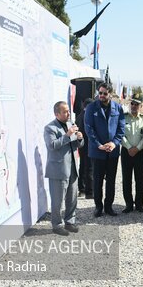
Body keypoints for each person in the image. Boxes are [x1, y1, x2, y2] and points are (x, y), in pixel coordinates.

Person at [84, 83, 126, 217]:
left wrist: (114, 143)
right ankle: (98, 207)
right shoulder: (91, 107)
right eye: (100, 93)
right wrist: (98, 144)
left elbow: (121, 129)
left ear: (111, 94)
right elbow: (89, 129)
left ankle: (109, 207)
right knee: (97, 180)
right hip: (97, 151)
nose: (101, 96)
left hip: (112, 151)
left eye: (105, 93)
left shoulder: (118, 108)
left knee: (111, 181)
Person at [44, 101, 83, 236]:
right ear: (57, 113)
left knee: (72, 198)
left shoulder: (70, 124)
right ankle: (57, 225)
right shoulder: (50, 128)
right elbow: (52, 146)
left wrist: (79, 138)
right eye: (65, 111)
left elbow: (76, 145)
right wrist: (67, 135)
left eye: (68, 111)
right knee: (57, 200)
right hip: (58, 170)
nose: (68, 114)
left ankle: (70, 222)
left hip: (72, 167)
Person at [121, 93, 143, 213]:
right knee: (126, 179)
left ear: (140, 106)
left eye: (136, 104)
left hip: (140, 152)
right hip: (126, 152)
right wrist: (128, 147)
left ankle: (139, 204)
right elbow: (120, 134)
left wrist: (137, 148)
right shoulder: (123, 117)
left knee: (139, 179)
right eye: (132, 103)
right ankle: (128, 204)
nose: (134, 106)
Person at [76, 98, 94, 199]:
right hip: (88, 145)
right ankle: (89, 192)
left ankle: (82, 189)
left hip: (82, 145)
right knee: (89, 168)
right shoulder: (88, 116)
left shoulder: (79, 115)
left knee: (82, 167)